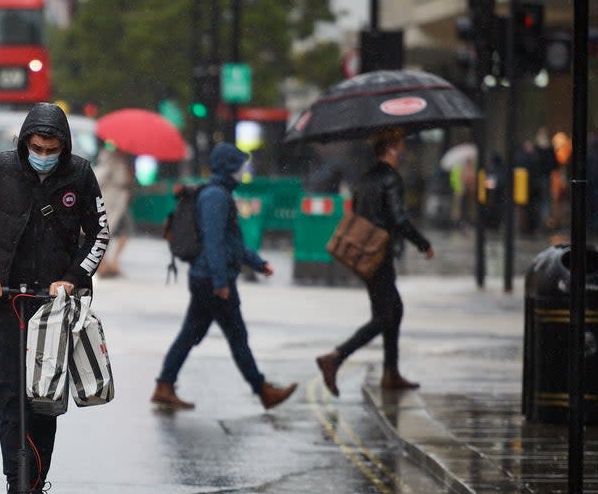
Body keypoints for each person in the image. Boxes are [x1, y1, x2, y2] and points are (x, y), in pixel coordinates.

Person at [0, 102, 109, 494]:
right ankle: (13, 484)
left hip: (53, 307)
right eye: (37, 145)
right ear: (24, 143)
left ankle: (37, 488)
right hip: (4, 301)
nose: (44, 153)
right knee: (6, 395)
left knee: (44, 398)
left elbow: (99, 234)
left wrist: (72, 278)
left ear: (64, 145)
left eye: (52, 146)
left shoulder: (79, 174)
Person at [151, 143, 298, 412]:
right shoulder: (216, 197)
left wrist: (257, 262)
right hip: (211, 278)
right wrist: (220, 282)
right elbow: (214, 242)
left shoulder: (219, 194)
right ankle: (263, 390)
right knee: (236, 335)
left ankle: (164, 384)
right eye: (241, 165)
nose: (245, 170)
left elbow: (231, 243)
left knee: (190, 334)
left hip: (206, 276)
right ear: (229, 167)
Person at [315, 130, 434, 397]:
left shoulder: (366, 178)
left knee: (394, 309)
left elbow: (359, 211)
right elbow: (399, 218)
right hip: (379, 253)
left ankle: (390, 373)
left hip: (364, 253)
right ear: (391, 148)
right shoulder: (391, 178)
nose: (403, 151)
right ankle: (335, 357)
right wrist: (423, 243)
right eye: (401, 145)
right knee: (384, 316)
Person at [94, 144, 135, 277]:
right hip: (110, 201)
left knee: (124, 230)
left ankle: (112, 263)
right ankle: (104, 264)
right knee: (105, 232)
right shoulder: (110, 158)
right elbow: (99, 177)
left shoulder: (125, 160)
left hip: (120, 201)